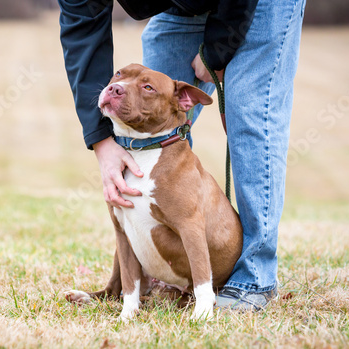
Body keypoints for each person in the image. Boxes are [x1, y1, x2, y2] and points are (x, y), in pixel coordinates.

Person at [58, 0, 306, 311]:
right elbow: (83, 32)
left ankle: (254, 279)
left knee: (249, 111)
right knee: (144, 103)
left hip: (260, 4)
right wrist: (102, 141)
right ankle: (133, 281)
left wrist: (216, 52)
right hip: (179, 6)